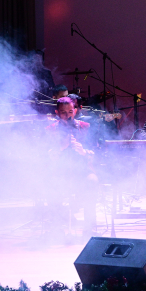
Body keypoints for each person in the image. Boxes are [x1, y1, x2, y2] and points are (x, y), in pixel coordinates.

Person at [45, 96, 98, 233]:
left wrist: (83, 151)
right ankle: (56, 228)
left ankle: (89, 229)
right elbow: (45, 156)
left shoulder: (85, 127)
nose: (67, 116)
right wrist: (60, 148)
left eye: (70, 112)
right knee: (50, 185)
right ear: (57, 113)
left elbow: (96, 152)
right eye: (63, 113)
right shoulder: (50, 129)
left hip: (82, 171)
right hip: (59, 172)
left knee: (92, 181)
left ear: (74, 111)